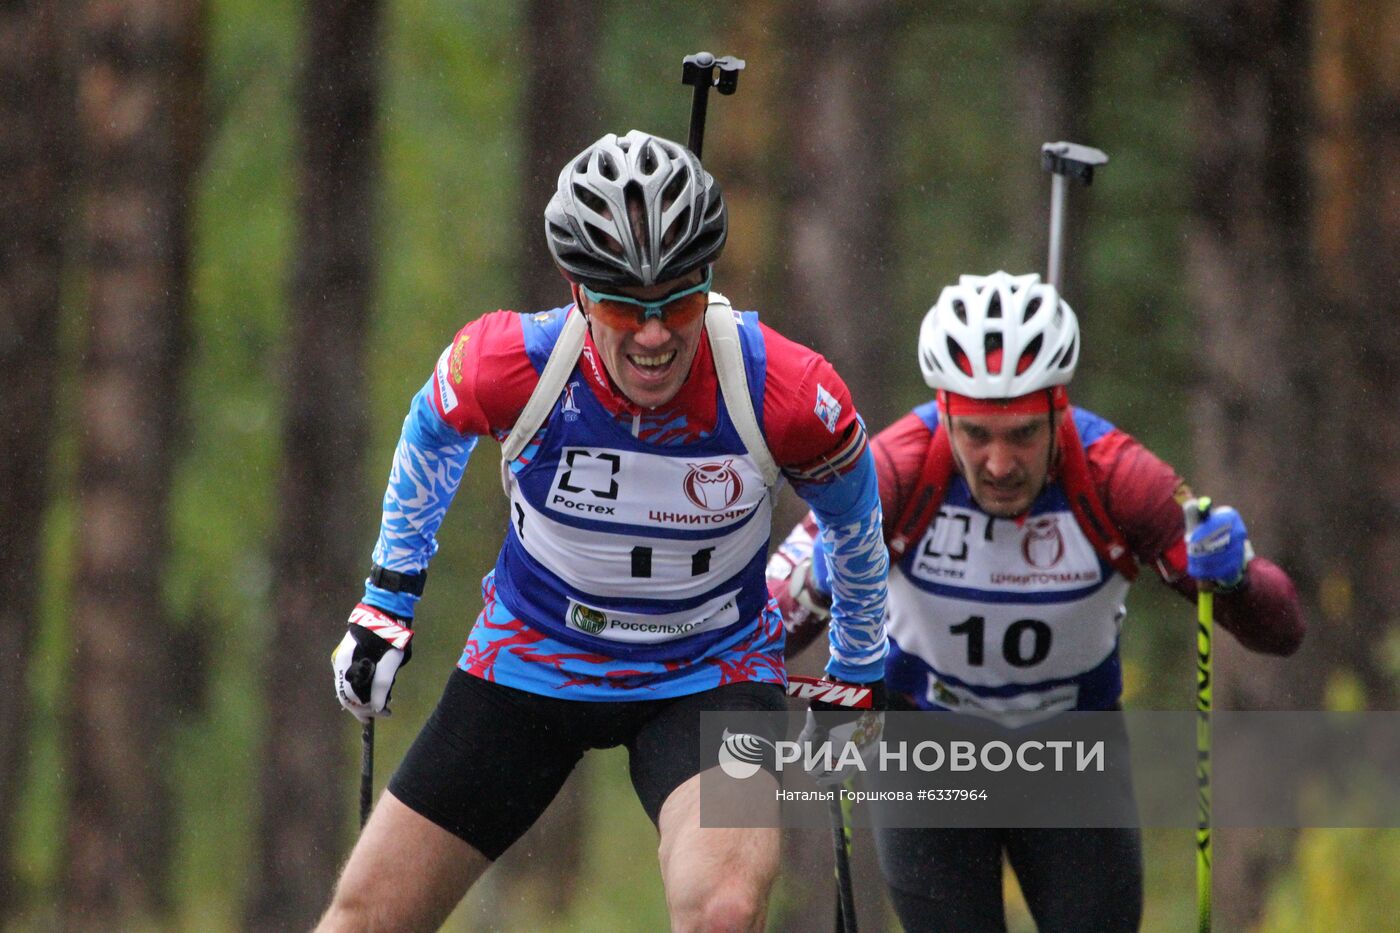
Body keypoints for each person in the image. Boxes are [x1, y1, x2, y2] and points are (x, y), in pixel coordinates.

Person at [317, 129, 889, 932]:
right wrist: (387, 599)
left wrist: (860, 662)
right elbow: (430, 431)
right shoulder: (512, 363)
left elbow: (854, 517)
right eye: (624, 305)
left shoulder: (780, 388)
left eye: (679, 302)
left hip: (708, 672)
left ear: (709, 285)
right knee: (365, 919)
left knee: (723, 910)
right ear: (579, 291)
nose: (654, 336)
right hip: (531, 657)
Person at [767, 271, 1305, 932]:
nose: (999, 463)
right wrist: (818, 583)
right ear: (944, 412)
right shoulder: (894, 471)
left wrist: (1236, 580)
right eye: (975, 434)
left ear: (1059, 410)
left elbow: (1283, 630)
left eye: (1022, 433)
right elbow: (765, 628)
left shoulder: (1118, 476)